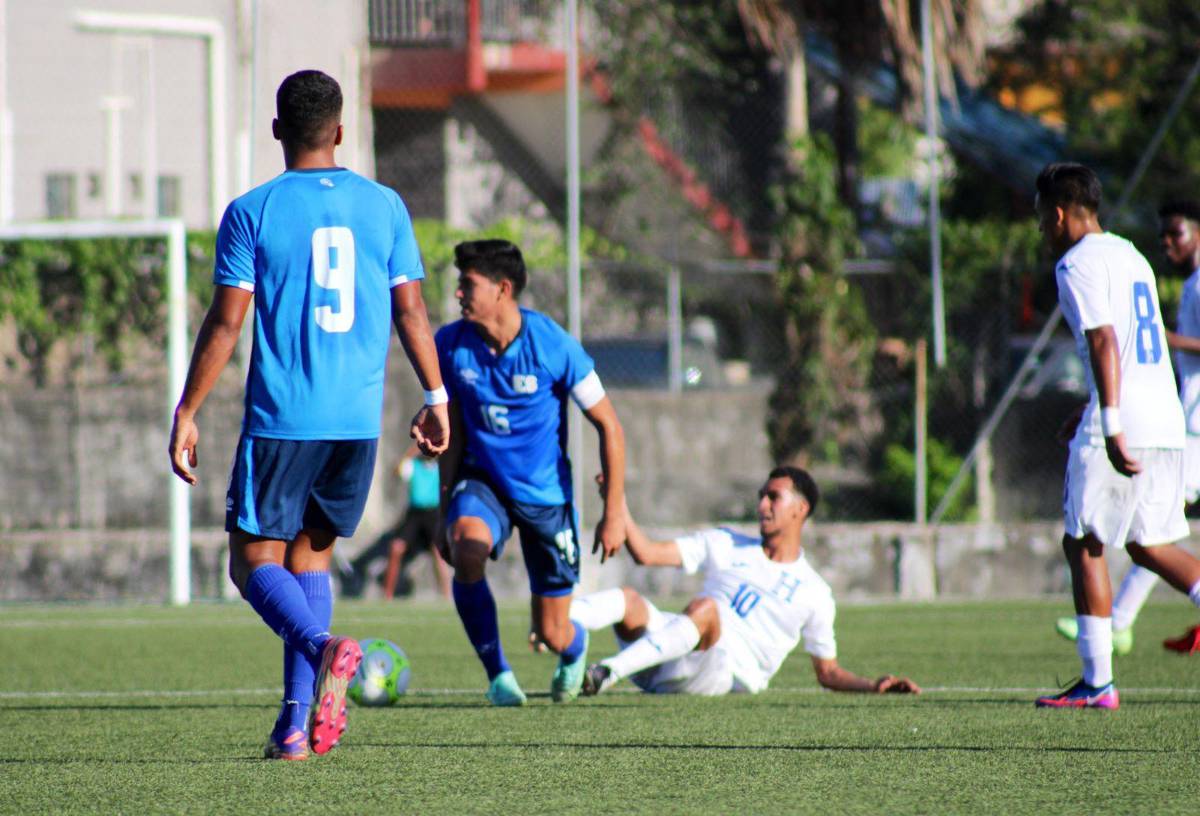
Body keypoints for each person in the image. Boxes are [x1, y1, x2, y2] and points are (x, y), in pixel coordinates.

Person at [167, 70, 449, 759]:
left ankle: (323, 648)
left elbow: (226, 324)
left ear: (276, 131)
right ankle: (294, 728)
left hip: (284, 419)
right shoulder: (385, 206)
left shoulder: (253, 211)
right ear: (341, 130)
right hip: (357, 422)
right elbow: (412, 309)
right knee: (310, 556)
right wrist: (437, 397)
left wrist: (187, 408)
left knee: (250, 563)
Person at [1032, 163, 1200, 710]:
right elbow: (1134, 346)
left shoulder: (1075, 262)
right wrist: (1092, 406)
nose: (1041, 228)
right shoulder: (1131, 255)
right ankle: (1097, 680)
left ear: (1058, 213)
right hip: (1168, 418)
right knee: (1148, 544)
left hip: (1126, 419)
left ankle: (1098, 681)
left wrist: (1107, 424)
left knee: (1083, 541)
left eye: (1041, 217)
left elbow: (1105, 341)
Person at [436, 239, 626, 706]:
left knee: (552, 631)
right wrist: (445, 509)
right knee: (467, 544)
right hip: (484, 484)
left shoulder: (553, 345)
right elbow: (453, 434)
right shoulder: (449, 345)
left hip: (546, 497)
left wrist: (614, 510)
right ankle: (498, 674)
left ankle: (575, 648)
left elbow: (609, 425)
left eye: (468, 284)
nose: (458, 293)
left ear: (503, 289)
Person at [573, 467, 920, 698]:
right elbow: (646, 553)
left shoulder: (815, 593)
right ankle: (557, 623)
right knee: (628, 599)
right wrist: (615, 503)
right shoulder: (727, 542)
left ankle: (607, 672)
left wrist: (876, 685)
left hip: (722, 673)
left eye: (774, 497)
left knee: (706, 610)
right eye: (761, 495)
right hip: (670, 654)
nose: (762, 504)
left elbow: (827, 672)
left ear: (800, 510)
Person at [342, 444, 450, 599]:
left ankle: (445, 594)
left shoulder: (440, 467)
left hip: (433, 514)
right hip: (415, 514)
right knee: (396, 548)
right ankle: (388, 595)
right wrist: (414, 450)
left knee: (438, 553)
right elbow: (398, 470)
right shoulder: (414, 465)